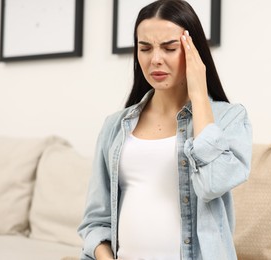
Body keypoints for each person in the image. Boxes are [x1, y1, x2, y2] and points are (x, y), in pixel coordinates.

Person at [78, 0, 252, 259]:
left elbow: (214, 183)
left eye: (170, 48)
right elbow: (95, 220)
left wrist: (199, 95)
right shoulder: (115, 126)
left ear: (193, 52)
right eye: (145, 48)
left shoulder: (228, 119)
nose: (155, 59)